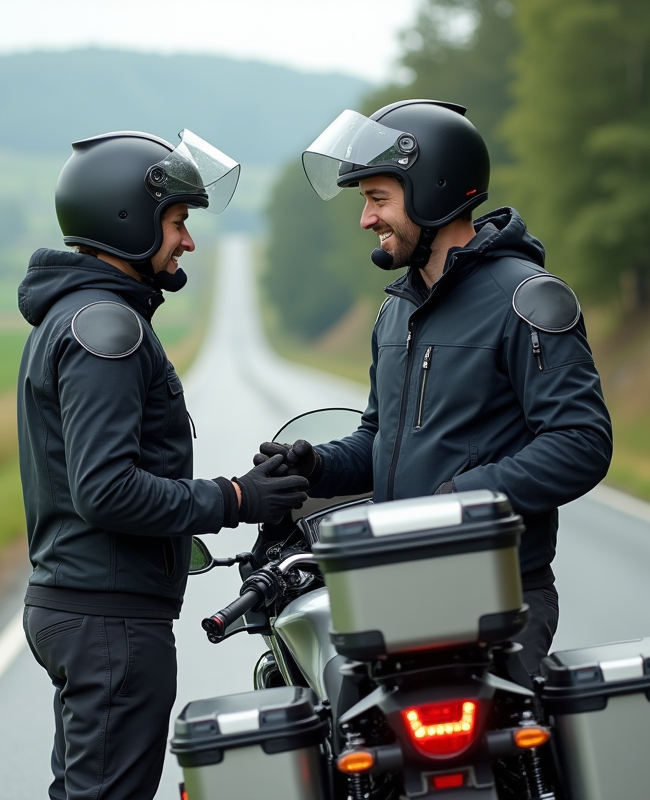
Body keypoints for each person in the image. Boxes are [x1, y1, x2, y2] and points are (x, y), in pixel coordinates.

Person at [256, 100, 613, 677]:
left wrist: (462, 499)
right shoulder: (396, 312)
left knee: (502, 733)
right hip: (393, 592)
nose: (366, 219)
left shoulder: (527, 299)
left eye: (378, 198)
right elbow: (379, 439)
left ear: (434, 190)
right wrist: (317, 466)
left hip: (500, 595)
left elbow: (581, 443)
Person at [17, 129, 309, 800]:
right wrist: (237, 498)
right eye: (177, 222)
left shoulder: (77, 316)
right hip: (110, 619)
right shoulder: (106, 328)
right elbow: (106, 490)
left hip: (90, 607)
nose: (188, 241)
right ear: (129, 222)